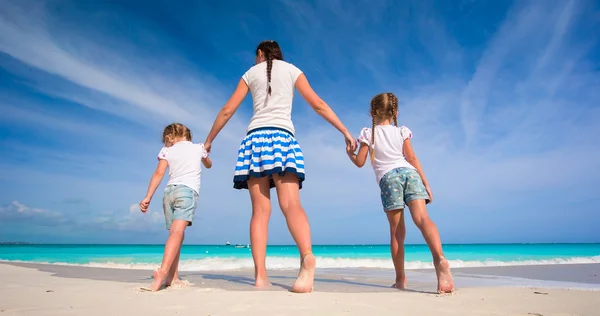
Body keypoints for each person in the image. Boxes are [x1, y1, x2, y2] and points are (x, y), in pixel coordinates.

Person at [203, 40, 356, 293]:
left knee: (260, 211)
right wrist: (345, 131)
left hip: (256, 140)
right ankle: (307, 256)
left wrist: (209, 141)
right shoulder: (293, 70)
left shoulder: (250, 74)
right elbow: (318, 104)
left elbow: (228, 110)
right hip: (283, 139)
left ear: (260, 54)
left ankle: (261, 277)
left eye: (256, 56)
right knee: (291, 205)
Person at [345, 92, 454, 294]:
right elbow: (411, 158)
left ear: (372, 112)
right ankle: (439, 258)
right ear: (395, 112)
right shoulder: (402, 131)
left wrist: (349, 153)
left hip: (389, 178)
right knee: (422, 218)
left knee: (397, 232)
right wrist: (425, 182)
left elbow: (360, 163)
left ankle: (400, 279)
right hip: (411, 174)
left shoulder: (368, 134)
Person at [139, 123, 212, 291]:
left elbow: (158, 173)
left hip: (169, 193)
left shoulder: (166, 151)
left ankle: (173, 277)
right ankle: (163, 272)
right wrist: (206, 154)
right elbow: (209, 164)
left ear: (169, 138)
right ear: (188, 135)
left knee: (176, 234)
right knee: (178, 233)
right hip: (186, 192)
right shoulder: (198, 147)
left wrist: (148, 197)